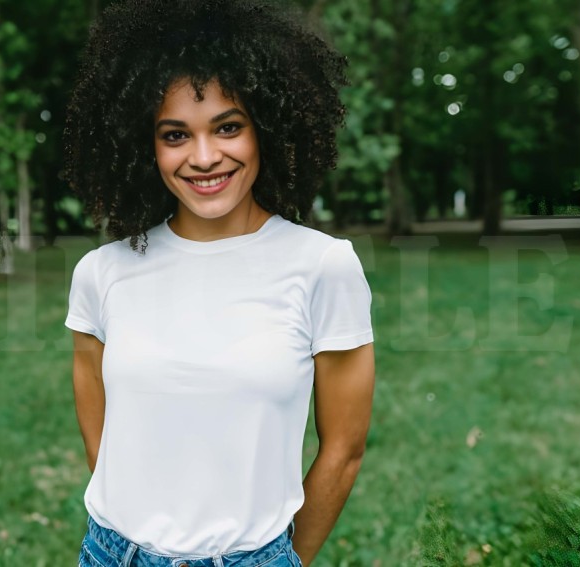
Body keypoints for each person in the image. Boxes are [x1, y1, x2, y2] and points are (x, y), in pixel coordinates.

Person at [63, 1, 375, 565]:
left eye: (228, 127)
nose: (205, 157)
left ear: (268, 130)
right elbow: (101, 435)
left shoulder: (323, 266)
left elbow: (345, 449)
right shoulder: (101, 274)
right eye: (175, 134)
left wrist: (280, 560)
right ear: (146, 145)